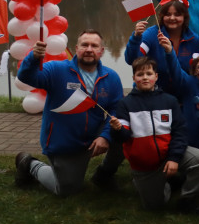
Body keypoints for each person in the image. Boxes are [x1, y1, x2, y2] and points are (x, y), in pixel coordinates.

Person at [15, 32, 122, 196]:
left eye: (94, 46)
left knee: (127, 131)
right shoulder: (56, 69)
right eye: (85, 45)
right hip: (65, 141)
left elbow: (116, 110)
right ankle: (29, 164)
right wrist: (33, 58)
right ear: (76, 48)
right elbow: (27, 77)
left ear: (101, 51)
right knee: (66, 190)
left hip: (95, 135)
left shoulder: (111, 77)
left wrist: (105, 136)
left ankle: (104, 174)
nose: (89, 49)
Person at [109, 55, 199, 214]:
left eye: (149, 74)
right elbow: (123, 137)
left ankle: (187, 200)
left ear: (156, 77)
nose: (145, 78)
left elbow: (180, 131)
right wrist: (116, 129)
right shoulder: (125, 104)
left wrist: (174, 158)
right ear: (134, 78)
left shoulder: (169, 101)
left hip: (168, 153)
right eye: (140, 74)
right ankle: (162, 183)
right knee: (155, 206)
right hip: (145, 164)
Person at [125, 0, 199, 93]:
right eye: (168, 14)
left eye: (177, 14)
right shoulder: (151, 34)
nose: (172, 18)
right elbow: (132, 60)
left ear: (185, 17)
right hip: (153, 92)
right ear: (162, 16)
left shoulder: (193, 39)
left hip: (183, 93)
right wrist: (136, 38)